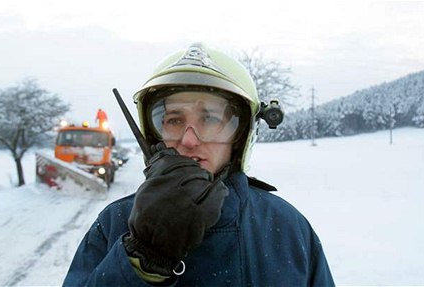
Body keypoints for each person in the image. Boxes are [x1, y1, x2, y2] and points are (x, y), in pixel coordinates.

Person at [63, 43, 335, 286]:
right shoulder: (114, 223)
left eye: (210, 119)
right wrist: (143, 257)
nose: (189, 140)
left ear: (240, 137)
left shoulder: (287, 228)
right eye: (174, 120)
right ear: (153, 134)